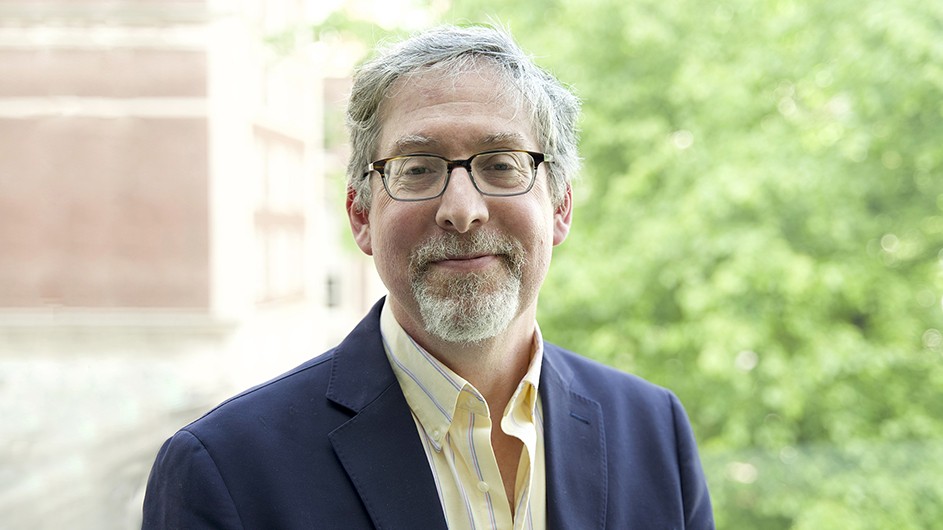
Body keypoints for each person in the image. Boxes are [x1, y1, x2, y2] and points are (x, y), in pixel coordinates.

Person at [142, 24, 714, 529]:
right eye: (417, 169)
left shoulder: (653, 432)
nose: (462, 209)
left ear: (560, 206)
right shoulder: (225, 471)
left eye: (501, 165)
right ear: (361, 215)